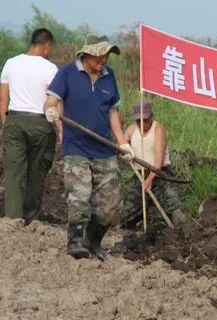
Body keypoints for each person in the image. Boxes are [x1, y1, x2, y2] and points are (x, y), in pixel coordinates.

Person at [43, 33, 131, 259]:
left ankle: (92, 241)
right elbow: (51, 101)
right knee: (80, 197)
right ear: (86, 54)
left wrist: (123, 144)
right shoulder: (67, 73)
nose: (104, 60)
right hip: (76, 147)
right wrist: (50, 111)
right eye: (100, 55)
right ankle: (74, 243)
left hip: (104, 149)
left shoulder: (109, 75)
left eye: (106, 56)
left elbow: (113, 112)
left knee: (111, 205)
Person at [0, 28, 57, 222]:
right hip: (40, 123)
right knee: (37, 172)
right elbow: (55, 101)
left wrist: (5, 124)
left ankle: (12, 220)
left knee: (14, 173)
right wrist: (60, 128)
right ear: (46, 45)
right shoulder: (50, 68)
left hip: (14, 120)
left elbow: (3, 99)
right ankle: (30, 219)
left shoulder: (11, 63)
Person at [120, 101, 187, 230]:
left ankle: (180, 228)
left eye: (145, 120)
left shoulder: (158, 129)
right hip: (139, 174)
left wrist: (150, 179)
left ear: (151, 117)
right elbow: (121, 143)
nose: (142, 123)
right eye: (139, 120)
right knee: (126, 215)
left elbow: (158, 159)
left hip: (160, 173)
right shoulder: (132, 129)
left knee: (172, 204)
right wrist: (124, 149)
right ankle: (137, 222)